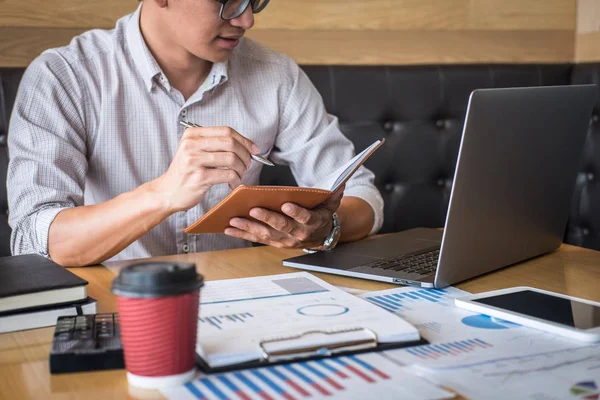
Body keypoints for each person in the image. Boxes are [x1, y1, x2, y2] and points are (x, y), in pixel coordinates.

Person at [7, 0, 384, 266]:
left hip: (246, 297)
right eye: (226, 1)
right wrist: (163, 194)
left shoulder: (277, 75)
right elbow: (38, 239)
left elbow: (364, 198)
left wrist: (325, 228)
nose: (247, 19)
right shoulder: (65, 76)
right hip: (116, 304)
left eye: (255, 0)